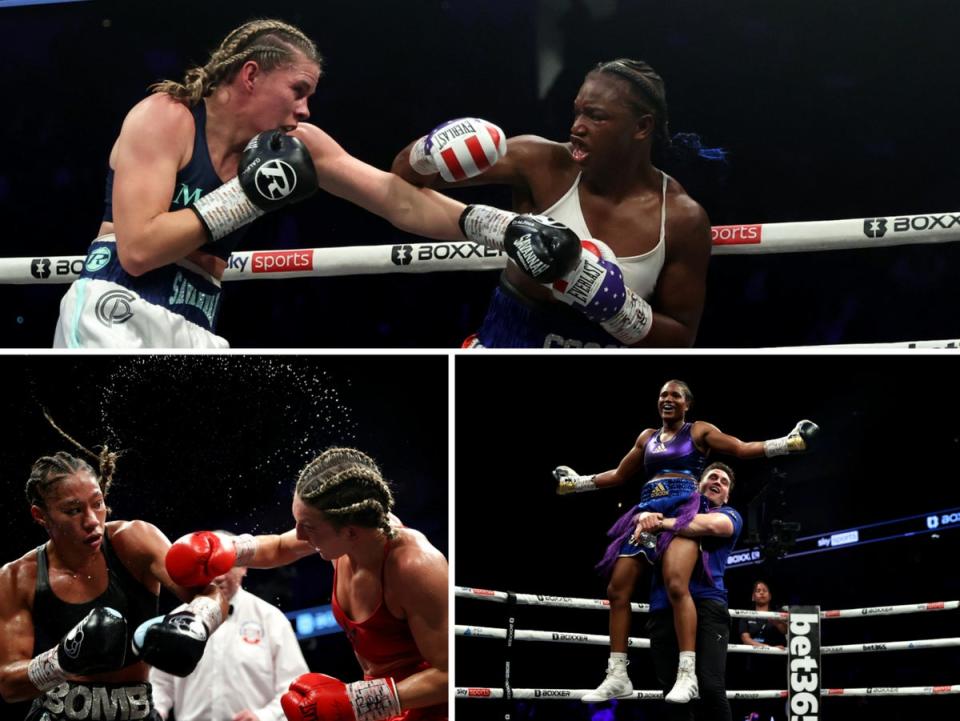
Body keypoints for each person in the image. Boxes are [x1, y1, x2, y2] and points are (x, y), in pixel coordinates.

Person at [53, 18, 579, 348]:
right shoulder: (165, 116)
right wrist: (245, 196)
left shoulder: (299, 142)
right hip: (115, 305)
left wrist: (505, 226)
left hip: (196, 323)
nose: (304, 109)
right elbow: (140, 249)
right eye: (298, 90)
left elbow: (398, 201)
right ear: (251, 75)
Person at [392, 58, 715, 348]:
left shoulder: (679, 218)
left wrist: (617, 308)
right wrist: (428, 150)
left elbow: (681, 337)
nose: (577, 127)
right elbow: (404, 178)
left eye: (596, 116)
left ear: (642, 127)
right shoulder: (540, 162)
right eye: (577, 111)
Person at [553, 379, 816, 704]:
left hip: (682, 510)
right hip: (646, 511)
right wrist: (576, 483)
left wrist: (787, 444)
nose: (668, 399)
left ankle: (688, 674)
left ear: (686, 404)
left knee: (678, 584)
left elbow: (740, 447)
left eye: (675, 395)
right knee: (617, 590)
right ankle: (618, 673)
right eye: (663, 394)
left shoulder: (698, 431)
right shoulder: (646, 438)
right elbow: (620, 475)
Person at [163, 448, 448, 721]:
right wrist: (226, 548)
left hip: (428, 709)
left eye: (308, 527)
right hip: (382, 707)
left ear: (350, 531)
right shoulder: (343, 539)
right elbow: (276, 547)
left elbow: (450, 674)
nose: (298, 534)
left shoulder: (414, 567)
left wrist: (356, 700)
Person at [0, 442, 229, 720]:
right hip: (58, 713)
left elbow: (212, 593)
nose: (92, 521)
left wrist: (196, 622)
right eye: (73, 511)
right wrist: (63, 659)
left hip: (137, 710)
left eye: (97, 504)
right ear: (40, 516)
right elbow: (8, 685)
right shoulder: (18, 577)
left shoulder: (134, 541)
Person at [150, 538, 309, 721]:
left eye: (225, 566)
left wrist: (264, 716)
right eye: (210, 568)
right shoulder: (176, 621)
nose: (218, 576)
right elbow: (159, 684)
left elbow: (294, 685)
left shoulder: (271, 619)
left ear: (244, 567)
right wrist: (156, 712)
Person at [644, 462, 742, 721]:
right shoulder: (673, 511)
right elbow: (649, 550)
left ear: (727, 495)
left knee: (710, 686)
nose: (717, 482)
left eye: (724, 482)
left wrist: (660, 521)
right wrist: (643, 523)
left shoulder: (730, 515)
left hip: (708, 605)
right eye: (713, 477)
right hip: (663, 606)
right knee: (671, 691)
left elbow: (709, 526)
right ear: (699, 484)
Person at [738, 580, 788, 721]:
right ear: (753, 596)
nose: (761, 593)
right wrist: (769, 649)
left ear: (770, 596)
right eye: (758, 590)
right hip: (754, 666)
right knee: (756, 705)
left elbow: (785, 630)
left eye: (764, 590)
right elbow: (745, 639)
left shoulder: (777, 614)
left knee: (778, 705)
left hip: (775, 666)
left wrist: (776, 621)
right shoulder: (746, 614)